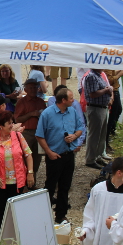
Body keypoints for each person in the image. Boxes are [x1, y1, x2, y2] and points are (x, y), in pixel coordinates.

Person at [36, 88, 84, 224]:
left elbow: (80, 128)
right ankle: (44, 215)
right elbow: (39, 135)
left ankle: (61, 215)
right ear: (63, 100)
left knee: (65, 186)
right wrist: (49, 152)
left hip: (69, 154)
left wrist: (74, 136)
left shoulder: (72, 112)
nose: (73, 100)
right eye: (71, 98)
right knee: (50, 186)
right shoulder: (47, 114)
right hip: (54, 156)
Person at [0, 110, 34, 239]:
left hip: (17, 181)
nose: (12, 125)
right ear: (1, 126)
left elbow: (28, 155)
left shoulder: (18, 136)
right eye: (9, 123)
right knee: (1, 210)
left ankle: (18, 238)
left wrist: (30, 173)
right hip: (0, 182)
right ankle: (0, 238)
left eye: (12, 122)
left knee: (17, 210)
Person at [79, 157, 123, 245]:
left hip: (121, 237)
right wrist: (86, 231)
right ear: (119, 173)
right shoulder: (99, 189)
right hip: (102, 239)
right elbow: (91, 214)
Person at [14, 78, 46, 184]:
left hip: (39, 133)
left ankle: (32, 184)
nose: (33, 90)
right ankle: (23, 184)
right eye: (31, 88)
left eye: (35, 88)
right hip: (26, 133)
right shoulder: (22, 102)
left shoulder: (41, 102)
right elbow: (17, 119)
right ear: (26, 89)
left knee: (37, 159)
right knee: (25, 158)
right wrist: (31, 114)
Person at [84, 69, 112, 169]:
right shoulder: (91, 76)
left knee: (101, 134)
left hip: (102, 107)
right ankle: (90, 159)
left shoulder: (99, 75)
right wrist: (106, 90)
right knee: (94, 135)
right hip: (95, 108)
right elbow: (93, 94)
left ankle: (98, 156)